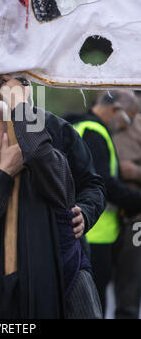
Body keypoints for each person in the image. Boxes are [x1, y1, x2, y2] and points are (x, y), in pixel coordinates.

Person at [0, 76, 104, 319]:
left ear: (25, 86)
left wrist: (85, 213)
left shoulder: (55, 131)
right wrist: (0, 176)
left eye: (3, 82)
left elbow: (88, 183)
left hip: (59, 267)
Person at [65, 89, 141, 316]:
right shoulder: (94, 132)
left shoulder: (81, 127)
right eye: (128, 118)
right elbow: (104, 184)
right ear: (115, 109)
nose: (127, 127)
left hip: (90, 230)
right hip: (93, 233)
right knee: (93, 306)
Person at [112, 91, 141, 319]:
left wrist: (136, 172)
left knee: (130, 282)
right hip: (105, 216)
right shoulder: (105, 119)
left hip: (135, 219)